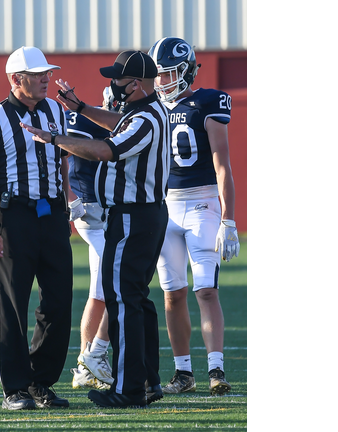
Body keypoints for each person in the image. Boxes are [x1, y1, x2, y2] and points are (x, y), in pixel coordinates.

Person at [21, 50, 170, 408]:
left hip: (133, 216)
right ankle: (148, 381)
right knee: (137, 300)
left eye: (118, 79)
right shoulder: (146, 111)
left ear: (135, 84)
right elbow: (117, 123)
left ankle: (130, 388)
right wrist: (82, 108)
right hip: (144, 216)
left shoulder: (145, 120)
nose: (112, 84)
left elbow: (105, 149)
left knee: (122, 301)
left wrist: (54, 139)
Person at [0, 46, 73, 410]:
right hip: (13, 218)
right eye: (38, 74)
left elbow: (62, 162)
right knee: (13, 305)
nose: (46, 79)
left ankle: (40, 382)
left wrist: (67, 205)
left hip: (52, 217)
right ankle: (14, 388)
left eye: (47, 72)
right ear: (17, 79)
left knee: (59, 301)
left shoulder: (56, 111)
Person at [147, 37, 241, 396]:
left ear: (185, 71)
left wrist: (228, 218)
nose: (161, 81)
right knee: (172, 294)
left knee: (205, 290)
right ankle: (183, 373)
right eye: (158, 74)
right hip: (165, 206)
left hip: (202, 204)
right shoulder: (153, 108)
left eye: (168, 73)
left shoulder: (207, 102)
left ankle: (216, 369)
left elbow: (222, 165)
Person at [66, 88, 125, 391]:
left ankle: (83, 367)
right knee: (120, 281)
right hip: (91, 211)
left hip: (109, 213)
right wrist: (69, 198)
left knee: (99, 292)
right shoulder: (85, 120)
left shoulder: (134, 124)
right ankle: (95, 355)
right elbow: (61, 153)